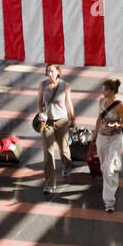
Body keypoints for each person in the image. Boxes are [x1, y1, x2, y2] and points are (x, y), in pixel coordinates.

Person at [37, 63, 76, 197]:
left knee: (64, 148)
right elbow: (40, 101)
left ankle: (67, 165)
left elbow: (68, 103)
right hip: (47, 122)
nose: (50, 73)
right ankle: (49, 183)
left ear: (58, 72)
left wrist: (73, 118)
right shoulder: (43, 85)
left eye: (52, 71)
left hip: (62, 121)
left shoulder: (65, 86)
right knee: (48, 152)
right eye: (48, 71)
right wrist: (41, 113)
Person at [91, 78, 123, 212]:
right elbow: (99, 119)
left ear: (112, 91)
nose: (103, 92)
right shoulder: (101, 102)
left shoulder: (119, 106)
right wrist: (94, 135)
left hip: (115, 138)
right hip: (102, 138)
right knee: (104, 166)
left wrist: (118, 125)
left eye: (105, 90)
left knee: (109, 169)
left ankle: (109, 201)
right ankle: (113, 182)